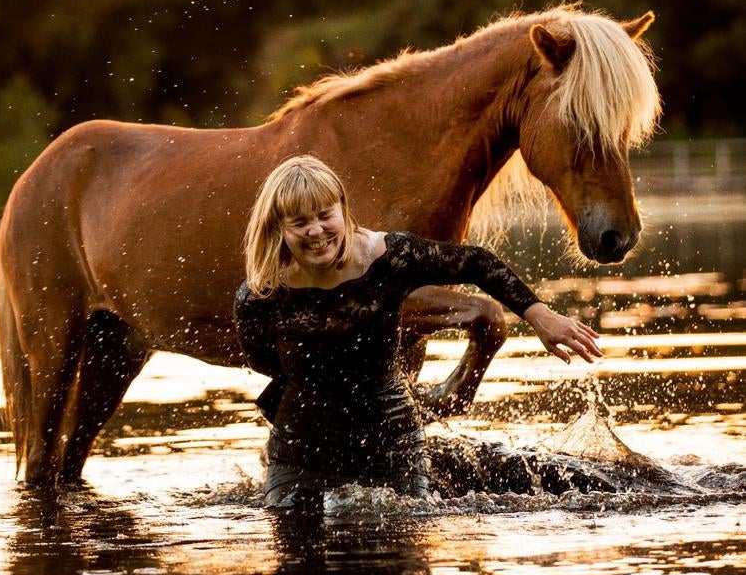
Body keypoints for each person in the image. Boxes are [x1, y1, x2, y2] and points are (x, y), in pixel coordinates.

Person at [233, 155, 602, 508]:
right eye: (299, 223)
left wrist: (539, 315)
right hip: (300, 454)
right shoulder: (259, 296)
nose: (316, 231)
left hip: (391, 444)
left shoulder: (389, 257)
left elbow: (476, 262)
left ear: (342, 210)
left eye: (324, 215)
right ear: (278, 227)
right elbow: (265, 363)